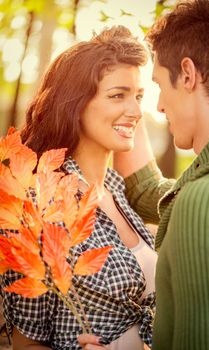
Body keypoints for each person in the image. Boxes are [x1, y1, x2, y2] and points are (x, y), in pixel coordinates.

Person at [79, 0, 209, 349]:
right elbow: (153, 191)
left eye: (159, 86)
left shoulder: (204, 200)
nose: (159, 106)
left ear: (189, 74)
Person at [0, 26, 158, 350]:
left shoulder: (117, 191)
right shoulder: (41, 205)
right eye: (118, 95)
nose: (137, 112)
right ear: (76, 103)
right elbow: (25, 344)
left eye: (139, 96)